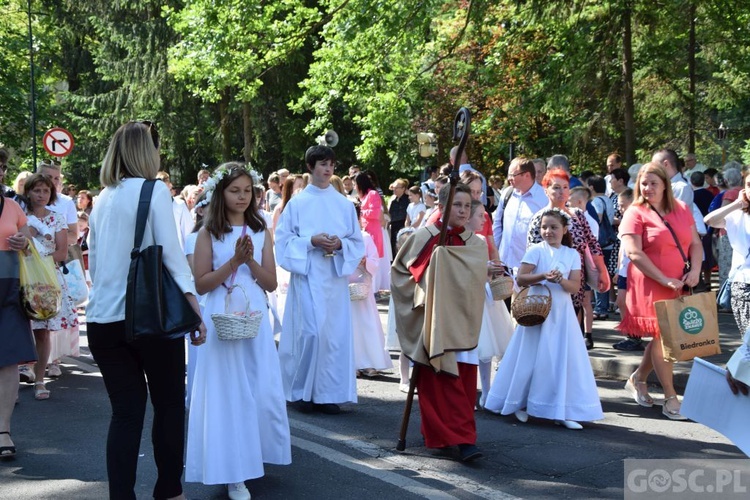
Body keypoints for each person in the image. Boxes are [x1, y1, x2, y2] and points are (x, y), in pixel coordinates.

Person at [87, 121, 206, 500]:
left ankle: (121, 495)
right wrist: (193, 307)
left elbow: (96, 261)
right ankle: (169, 491)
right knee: (169, 405)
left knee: (125, 414)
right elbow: (171, 254)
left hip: (102, 320)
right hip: (148, 316)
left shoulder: (101, 198)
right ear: (146, 152)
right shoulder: (153, 191)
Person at [186, 163, 291, 500]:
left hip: (253, 314)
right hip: (222, 315)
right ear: (221, 193)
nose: (242, 197)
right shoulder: (208, 233)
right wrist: (232, 262)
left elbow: (272, 282)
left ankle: (254, 454)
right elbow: (201, 284)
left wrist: (248, 262)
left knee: (257, 385)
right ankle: (232, 470)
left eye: (247, 190)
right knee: (228, 391)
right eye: (235, 190)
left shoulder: (261, 231)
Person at [391, 183, 487, 462]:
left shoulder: (475, 243)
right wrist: (429, 275)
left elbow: (474, 279)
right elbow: (400, 273)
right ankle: (452, 438)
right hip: (432, 320)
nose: (462, 210)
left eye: (467, 206)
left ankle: (459, 435)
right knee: (437, 382)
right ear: (442, 206)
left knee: (463, 384)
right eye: (457, 205)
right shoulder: (424, 236)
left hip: (462, 320)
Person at [484, 208, 604, 429]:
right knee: (529, 358)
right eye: (544, 227)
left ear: (564, 229)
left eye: (554, 227)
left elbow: (575, 286)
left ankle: (561, 409)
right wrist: (543, 275)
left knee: (561, 359)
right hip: (536, 310)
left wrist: (560, 280)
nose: (548, 231)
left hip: (562, 313)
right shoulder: (536, 250)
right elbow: (521, 278)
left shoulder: (572, 255)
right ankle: (519, 403)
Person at [275, 145, 365, 415]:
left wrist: (339, 245)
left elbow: (356, 241)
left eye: (331, 165)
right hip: (309, 275)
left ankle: (328, 394)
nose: (328, 169)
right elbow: (283, 241)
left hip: (334, 278)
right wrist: (310, 242)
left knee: (333, 336)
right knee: (311, 333)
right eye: (323, 164)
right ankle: (301, 392)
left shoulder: (343, 204)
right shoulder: (298, 203)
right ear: (311, 167)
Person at [617, 162, 702, 421]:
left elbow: (696, 245)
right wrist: (664, 279)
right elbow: (634, 252)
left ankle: (638, 378)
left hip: (678, 282)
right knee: (664, 339)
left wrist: (695, 271)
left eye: (654, 183)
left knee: (661, 338)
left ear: (666, 184)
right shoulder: (636, 212)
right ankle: (670, 396)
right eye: (644, 183)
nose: (648, 187)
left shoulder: (683, 209)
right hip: (650, 284)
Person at [527, 169, 610, 349]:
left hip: (575, 282)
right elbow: (532, 254)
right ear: (546, 190)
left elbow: (593, 243)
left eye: (565, 187)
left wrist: (601, 271)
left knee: (573, 332)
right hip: (549, 286)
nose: (562, 192)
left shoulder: (577, 215)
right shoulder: (539, 218)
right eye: (556, 187)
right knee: (551, 337)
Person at [23, 173, 78, 399]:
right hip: (21, 276)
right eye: (37, 190)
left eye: (46, 191)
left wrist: (38, 260)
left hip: (46, 279)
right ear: (28, 192)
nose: (42, 195)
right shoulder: (20, 216)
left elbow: (62, 252)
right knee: (19, 328)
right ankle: (14, 377)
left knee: (43, 332)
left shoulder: (56, 218)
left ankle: (39, 380)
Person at [466, 199, 512, 408]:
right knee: (472, 347)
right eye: (479, 215)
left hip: (485, 297)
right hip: (469, 298)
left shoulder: (481, 240)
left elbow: (485, 266)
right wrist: (485, 269)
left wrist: (493, 271)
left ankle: (487, 390)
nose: (484, 218)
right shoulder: (461, 241)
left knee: (487, 347)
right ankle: (469, 390)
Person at [0, 194, 36, 459]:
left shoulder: (13, 207)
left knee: (9, 359)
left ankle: (3, 430)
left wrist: (24, 242)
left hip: (10, 289)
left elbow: (28, 243)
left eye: (1, 167)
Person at [704, 176, 750, 334]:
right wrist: (737, 204)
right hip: (744, 284)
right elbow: (710, 220)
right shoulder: (738, 216)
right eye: (749, 185)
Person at [350, 208, 391, 377]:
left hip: (361, 287)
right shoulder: (339, 238)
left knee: (366, 324)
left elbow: (375, 260)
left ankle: (368, 361)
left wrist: (365, 261)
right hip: (344, 286)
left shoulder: (365, 237)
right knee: (348, 326)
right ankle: (351, 362)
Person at [492, 157, 548, 276]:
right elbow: (498, 225)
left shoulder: (544, 199)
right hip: (503, 267)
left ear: (527, 175)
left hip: (529, 269)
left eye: (513, 175)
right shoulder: (507, 194)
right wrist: (494, 255)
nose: (509, 179)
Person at [587, 175, 616, 320]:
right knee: (604, 273)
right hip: (608, 242)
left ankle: (600, 307)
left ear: (591, 187)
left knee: (599, 274)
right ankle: (602, 306)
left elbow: (597, 219)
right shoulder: (608, 199)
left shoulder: (597, 201)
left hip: (600, 242)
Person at [155, 171, 194, 252]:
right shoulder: (153, 206)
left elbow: (189, 234)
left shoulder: (179, 205)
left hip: (178, 253)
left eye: (169, 183)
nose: (170, 185)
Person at [388, 178, 410, 256]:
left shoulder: (407, 199)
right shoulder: (394, 200)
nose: (394, 189)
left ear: (403, 189)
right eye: (394, 187)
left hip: (402, 225)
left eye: (397, 188)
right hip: (393, 226)